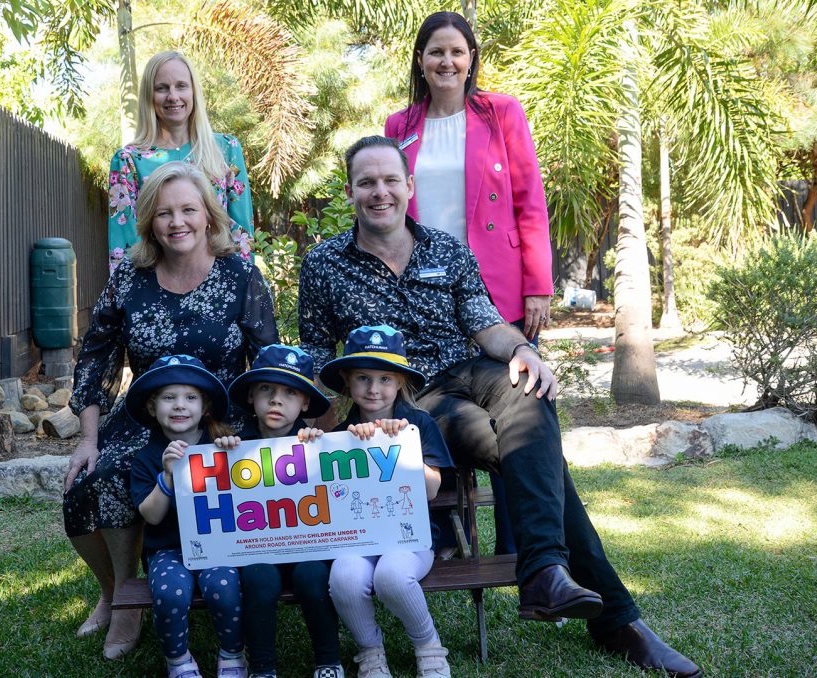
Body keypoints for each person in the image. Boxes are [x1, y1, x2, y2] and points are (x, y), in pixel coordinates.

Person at [297, 136, 701, 677]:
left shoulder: (446, 249)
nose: (380, 192)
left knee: (529, 394)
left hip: (469, 372)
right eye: (366, 182)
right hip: (411, 401)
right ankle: (602, 610)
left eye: (390, 180)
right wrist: (319, 429)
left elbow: (486, 323)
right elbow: (318, 355)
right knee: (537, 454)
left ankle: (550, 576)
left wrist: (524, 350)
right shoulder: (324, 264)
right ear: (350, 192)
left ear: (408, 187)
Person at [63, 161, 278, 659]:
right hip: (146, 417)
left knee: (225, 472)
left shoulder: (240, 272)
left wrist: (279, 427)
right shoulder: (131, 277)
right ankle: (121, 595)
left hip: (222, 417)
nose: (176, 222)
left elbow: (267, 354)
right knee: (89, 485)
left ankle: (218, 573)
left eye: (187, 209)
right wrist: (89, 439)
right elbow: (97, 356)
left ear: (208, 215)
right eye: (163, 213)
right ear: (148, 221)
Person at [385, 10, 557, 556]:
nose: (447, 61)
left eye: (457, 51)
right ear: (420, 59)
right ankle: (443, 536)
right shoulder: (399, 125)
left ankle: (524, 550)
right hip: (423, 294)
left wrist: (539, 286)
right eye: (436, 51)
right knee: (442, 410)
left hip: (498, 289)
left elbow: (530, 201)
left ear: (471, 59)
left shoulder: (501, 113)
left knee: (517, 410)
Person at [318, 325, 454, 678]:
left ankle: (428, 645)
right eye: (363, 378)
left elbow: (431, 489)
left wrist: (395, 446)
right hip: (358, 536)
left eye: (384, 379)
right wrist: (321, 442)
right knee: (344, 579)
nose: (374, 389)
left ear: (399, 383)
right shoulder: (340, 436)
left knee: (392, 576)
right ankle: (371, 651)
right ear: (347, 381)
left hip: (410, 535)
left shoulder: (418, 425)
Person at [217, 344, 344, 678]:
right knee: (259, 577)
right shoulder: (235, 446)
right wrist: (225, 453)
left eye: (290, 392)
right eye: (266, 390)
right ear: (250, 397)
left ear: (304, 402)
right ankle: (263, 669)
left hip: (310, 548)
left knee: (313, 575)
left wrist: (320, 447)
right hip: (257, 550)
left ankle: (329, 662)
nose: (276, 400)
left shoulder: (316, 443)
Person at [125, 354, 248, 678]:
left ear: (205, 406)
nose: (180, 405)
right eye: (169, 397)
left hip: (218, 545)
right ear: (152, 407)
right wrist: (167, 477)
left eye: (190, 397)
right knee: (169, 593)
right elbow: (150, 517)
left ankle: (233, 654)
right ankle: (178, 660)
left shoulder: (222, 447)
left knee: (224, 586)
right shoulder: (147, 458)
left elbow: (249, 492)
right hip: (167, 549)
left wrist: (235, 454)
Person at [107, 51, 254, 272]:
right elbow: (124, 248)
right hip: (154, 289)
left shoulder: (226, 150)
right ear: (149, 95)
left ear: (194, 91)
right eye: (162, 88)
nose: (173, 96)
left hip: (219, 290)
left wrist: (245, 293)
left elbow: (241, 235)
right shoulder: (128, 161)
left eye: (181, 86)